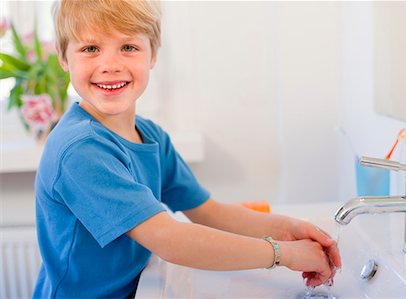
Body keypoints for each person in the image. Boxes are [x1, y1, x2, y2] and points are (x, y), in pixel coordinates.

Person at [33, 0, 341, 298]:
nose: (110, 65)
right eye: (90, 48)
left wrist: (287, 228)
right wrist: (282, 253)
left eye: (128, 47)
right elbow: (169, 239)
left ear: (152, 54)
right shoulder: (80, 150)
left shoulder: (150, 136)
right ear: (63, 57)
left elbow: (208, 212)